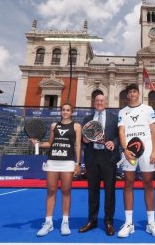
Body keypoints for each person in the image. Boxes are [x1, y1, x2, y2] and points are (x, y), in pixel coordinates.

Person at [117, 83, 155, 238]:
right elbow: (121, 132)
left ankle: (151, 223)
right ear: (127, 95)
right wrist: (125, 149)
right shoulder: (122, 112)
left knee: (148, 184)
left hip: (147, 151)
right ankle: (128, 223)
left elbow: (154, 131)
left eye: (134, 91)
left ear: (138, 93)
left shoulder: (148, 109)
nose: (132, 94)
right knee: (128, 183)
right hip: (129, 152)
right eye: (129, 92)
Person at [30, 103, 82, 236]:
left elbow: (77, 146)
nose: (65, 112)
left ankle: (65, 222)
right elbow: (50, 143)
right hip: (52, 161)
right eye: (63, 110)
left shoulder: (76, 126)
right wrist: (38, 144)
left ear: (72, 112)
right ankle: (48, 223)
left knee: (66, 191)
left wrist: (78, 163)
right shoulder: (54, 125)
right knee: (51, 191)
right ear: (61, 111)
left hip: (68, 162)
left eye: (68, 110)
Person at [78, 94, 120, 236]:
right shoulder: (87, 119)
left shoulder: (114, 117)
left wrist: (113, 143)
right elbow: (83, 139)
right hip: (92, 157)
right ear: (94, 103)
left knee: (110, 191)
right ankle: (92, 220)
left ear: (106, 102)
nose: (99, 103)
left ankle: (108, 221)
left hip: (108, 158)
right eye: (97, 101)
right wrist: (85, 140)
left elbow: (119, 137)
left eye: (102, 101)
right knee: (92, 191)